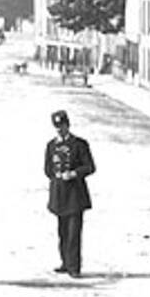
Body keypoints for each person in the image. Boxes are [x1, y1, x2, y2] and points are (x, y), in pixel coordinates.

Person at [45, 110, 95, 278]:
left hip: (75, 195)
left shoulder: (80, 144)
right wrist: (56, 177)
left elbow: (89, 167)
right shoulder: (51, 146)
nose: (60, 130)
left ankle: (74, 267)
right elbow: (47, 169)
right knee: (63, 232)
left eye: (63, 126)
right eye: (57, 127)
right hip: (59, 194)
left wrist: (73, 174)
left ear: (68, 125)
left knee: (74, 233)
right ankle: (65, 262)